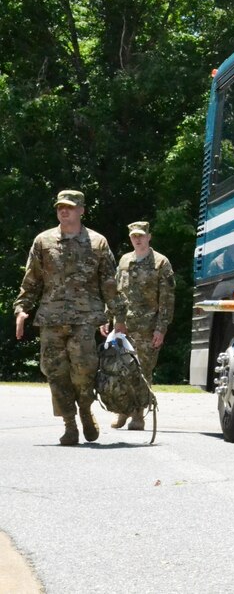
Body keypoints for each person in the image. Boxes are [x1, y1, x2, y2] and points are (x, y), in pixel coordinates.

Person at [14, 190, 127, 445]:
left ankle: (86, 411)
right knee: (55, 372)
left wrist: (119, 318)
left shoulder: (97, 243)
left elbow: (110, 284)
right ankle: (69, 424)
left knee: (84, 372)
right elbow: (31, 280)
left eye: (70, 207)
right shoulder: (43, 241)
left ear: (81, 211)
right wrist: (21, 309)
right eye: (60, 207)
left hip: (85, 319)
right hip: (51, 319)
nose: (64, 211)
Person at [102, 221, 175, 430]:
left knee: (142, 371)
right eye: (134, 235)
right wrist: (108, 318)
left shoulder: (161, 262)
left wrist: (161, 328)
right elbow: (115, 292)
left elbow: (167, 299)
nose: (138, 239)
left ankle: (138, 415)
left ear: (149, 236)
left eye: (141, 235)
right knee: (119, 368)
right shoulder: (125, 260)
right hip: (123, 326)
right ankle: (122, 411)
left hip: (147, 328)